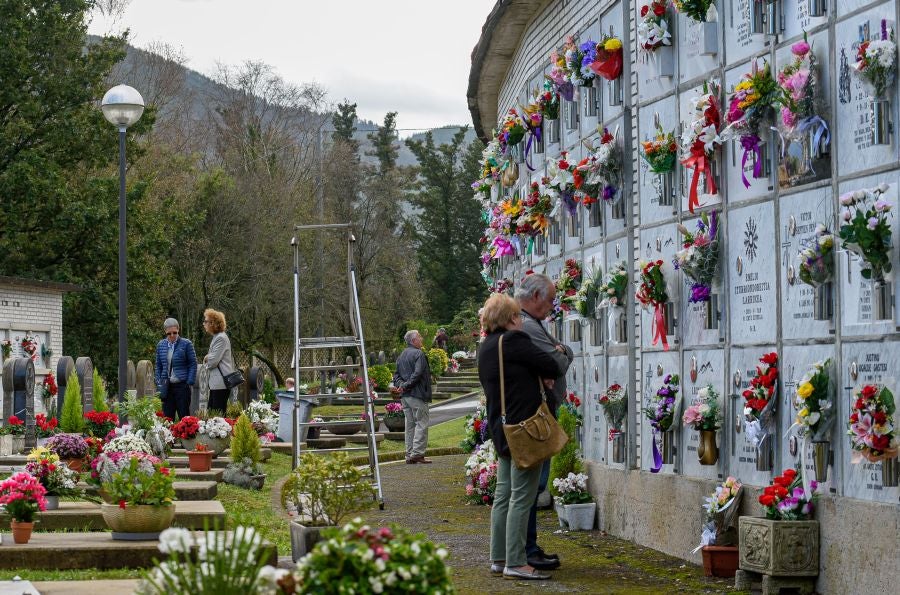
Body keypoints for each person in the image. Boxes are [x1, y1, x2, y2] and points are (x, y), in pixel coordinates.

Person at [478, 292, 566, 581]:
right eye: (517, 315)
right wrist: (559, 352)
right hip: (525, 430)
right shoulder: (515, 341)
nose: (520, 320)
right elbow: (553, 365)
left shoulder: (487, 346)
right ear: (511, 318)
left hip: (502, 431)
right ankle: (516, 562)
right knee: (522, 497)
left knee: (503, 495)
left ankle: (499, 556)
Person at [515, 272, 574, 571]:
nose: (553, 305)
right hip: (537, 416)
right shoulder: (527, 325)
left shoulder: (533, 323)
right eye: (550, 299)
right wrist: (561, 352)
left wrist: (563, 351)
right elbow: (558, 361)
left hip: (541, 412)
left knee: (532, 487)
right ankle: (527, 550)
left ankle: (528, 548)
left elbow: (564, 352)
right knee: (531, 488)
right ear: (535, 297)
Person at [392, 330, 432, 464]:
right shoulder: (418, 354)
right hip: (417, 394)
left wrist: (401, 385)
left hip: (405, 396)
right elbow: (418, 373)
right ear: (413, 340)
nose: (421, 339)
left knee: (409, 425)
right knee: (421, 423)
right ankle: (417, 454)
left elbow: (396, 375)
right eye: (419, 337)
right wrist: (406, 385)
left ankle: (409, 454)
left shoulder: (402, 355)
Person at [154, 317, 198, 420]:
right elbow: (158, 365)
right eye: (169, 333)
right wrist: (158, 381)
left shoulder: (186, 344)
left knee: (185, 417)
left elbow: (193, 363)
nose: (172, 335)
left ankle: (186, 436)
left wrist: (189, 381)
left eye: (175, 332)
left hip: (182, 385)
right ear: (165, 332)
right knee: (167, 419)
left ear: (178, 330)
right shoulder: (161, 345)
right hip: (167, 387)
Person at [203, 308, 236, 414]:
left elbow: (213, 361)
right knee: (213, 413)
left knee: (218, 415)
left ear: (213, 323)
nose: (204, 323)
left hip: (221, 383)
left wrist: (207, 357)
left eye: (206, 321)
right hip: (216, 384)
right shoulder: (217, 337)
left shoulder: (220, 338)